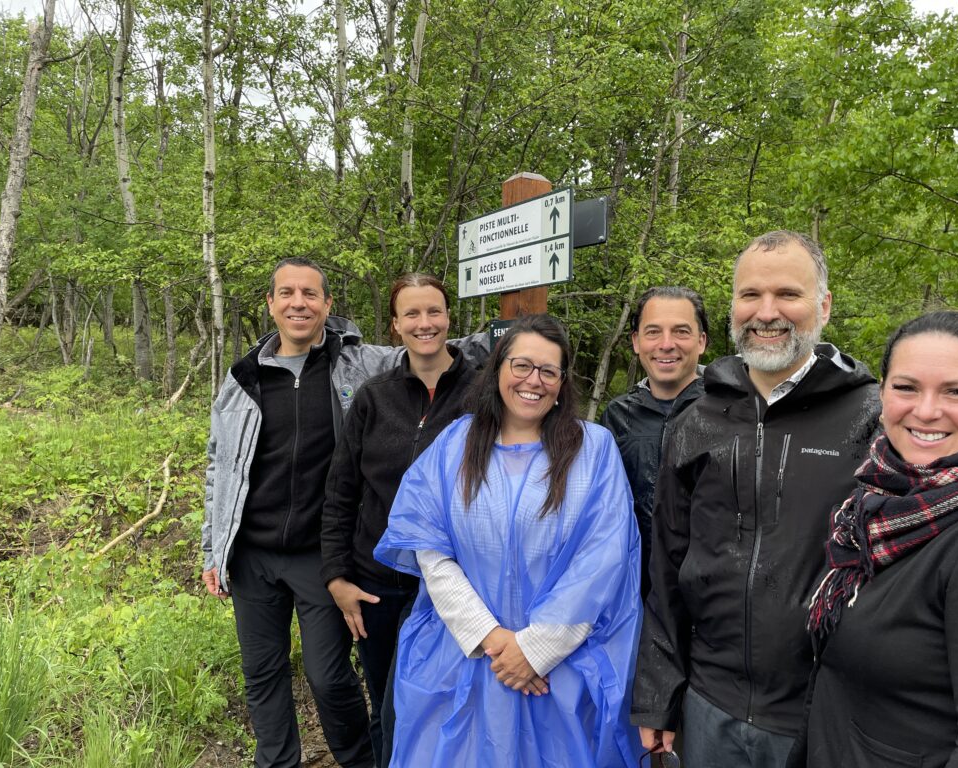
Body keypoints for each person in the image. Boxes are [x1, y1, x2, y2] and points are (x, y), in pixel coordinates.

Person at [200, 257, 484, 768]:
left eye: (310, 294)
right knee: (261, 673)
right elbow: (220, 467)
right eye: (286, 293)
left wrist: (516, 338)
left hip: (321, 553)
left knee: (329, 675)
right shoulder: (242, 379)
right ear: (270, 304)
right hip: (251, 556)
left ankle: (359, 759)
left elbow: (431, 345)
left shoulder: (355, 363)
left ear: (328, 306)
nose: (298, 303)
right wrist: (212, 549)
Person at [631, 231, 880, 768]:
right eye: (750, 295)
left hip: (824, 713)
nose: (766, 312)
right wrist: (658, 696)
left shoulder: (874, 418)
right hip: (708, 704)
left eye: (788, 294)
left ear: (824, 305)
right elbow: (667, 566)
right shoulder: (696, 420)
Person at [373, 314, 644, 768]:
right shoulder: (455, 445)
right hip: (464, 655)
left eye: (548, 371)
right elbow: (431, 549)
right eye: (521, 365)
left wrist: (535, 651)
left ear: (562, 383)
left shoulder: (593, 450)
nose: (532, 381)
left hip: (561, 668)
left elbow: (603, 560)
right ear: (498, 368)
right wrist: (493, 639)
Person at [801, 311, 958, 767]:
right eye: (906, 387)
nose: (926, 410)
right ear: (882, 393)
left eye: (956, 391)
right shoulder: (877, 500)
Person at [320, 273, 479, 766]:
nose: (424, 323)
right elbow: (341, 492)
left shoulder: (484, 391)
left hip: (456, 583)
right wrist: (337, 577)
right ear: (395, 325)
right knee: (386, 703)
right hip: (379, 585)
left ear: (449, 318)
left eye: (433, 311)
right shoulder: (373, 397)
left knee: (446, 702)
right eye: (411, 314)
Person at [601, 286, 708, 598]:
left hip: (707, 599)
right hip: (632, 593)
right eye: (653, 332)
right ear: (636, 341)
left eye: (681, 331)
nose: (666, 344)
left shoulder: (728, 411)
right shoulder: (616, 417)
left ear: (701, 341)